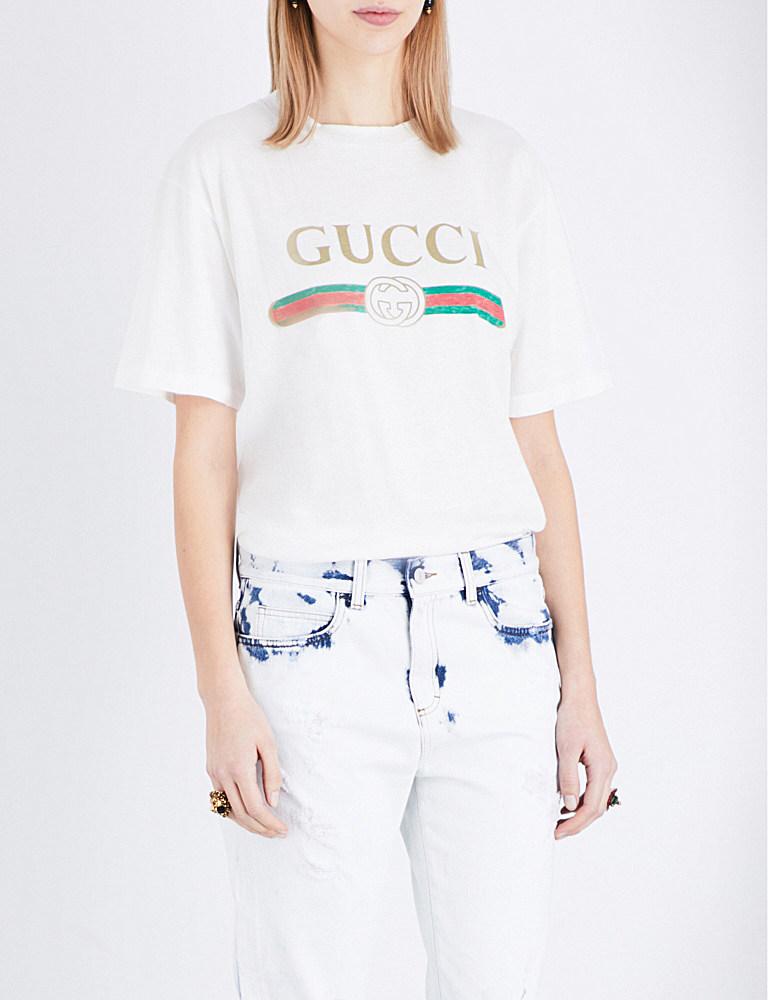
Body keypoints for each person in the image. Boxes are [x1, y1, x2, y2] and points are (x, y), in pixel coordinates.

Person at [114, 1, 620, 997]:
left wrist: (583, 687)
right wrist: (221, 692)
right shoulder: (223, 166)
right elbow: (203, 456)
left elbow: (540, 449)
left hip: (495, 631)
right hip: (307, 638)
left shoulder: (500, 167)